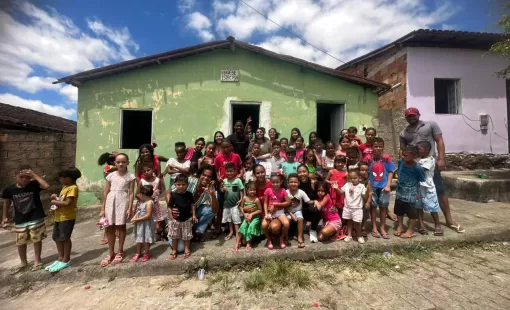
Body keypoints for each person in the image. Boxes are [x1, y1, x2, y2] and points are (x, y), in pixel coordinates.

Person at [399, 107, 464, 233]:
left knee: (439, 190)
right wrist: (402, 166)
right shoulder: (404, 133)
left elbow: (439, 140)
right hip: (413, 167)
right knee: (416, 194)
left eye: (413, 115)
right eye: (408, 116)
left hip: (430, 166)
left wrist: (441, 159)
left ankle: (449, 219)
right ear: (406, 118)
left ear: (418, 115)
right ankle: (420, 221)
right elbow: (402, 150)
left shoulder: (430, 125)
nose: (411, 118)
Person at [1, 165, 50, 272]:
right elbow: (7, 203)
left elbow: (46, 186)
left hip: (36, 216)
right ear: (15, 176)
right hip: (20, 219)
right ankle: (23, 262)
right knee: (21, 241)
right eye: (21, 177)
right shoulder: (9, 189)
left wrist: (34, 175)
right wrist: (4, 216)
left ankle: (37, 260)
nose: (24, 179)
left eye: (27, 177)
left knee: (36, 239)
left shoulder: (34, 185)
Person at [165, 165, 219, 242]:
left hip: (191, 214)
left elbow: (215, 210)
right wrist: (171, 207)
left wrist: (213, 195)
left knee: (209, 209)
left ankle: (196, 231)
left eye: (209, 176)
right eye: (204, 175)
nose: (206, 178)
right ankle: (167, 229)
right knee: (180, 248)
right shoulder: (189, 180)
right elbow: (168, 192)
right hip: (177, 215)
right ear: (200, 174)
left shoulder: (210, 188)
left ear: (212, 179)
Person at [99, 153, 136, 267]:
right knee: (110, 227)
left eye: (123, 161)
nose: (121, 164)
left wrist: (130, 207)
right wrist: (103, 207)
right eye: (118, 161)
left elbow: (131, 193)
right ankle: (111, 252)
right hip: (111, 201)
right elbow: (106, 192)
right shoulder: (110, 176)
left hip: (122, 201)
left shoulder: (130, 176)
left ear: (127, 163)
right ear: (114, 163)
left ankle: (120, 251)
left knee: (121, 227)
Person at [46, 167, 81, 272]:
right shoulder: (65, 187)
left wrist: (54, 202)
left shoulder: (73, 188)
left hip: (67, 217)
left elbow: (67, 203)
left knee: (65, 238)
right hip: (59, 217)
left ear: (69, 178)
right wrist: (56, 198)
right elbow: (62, 200)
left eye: (62, 177)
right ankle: (60, 257)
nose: (60, 179)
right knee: (56, 237)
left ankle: (66, 259)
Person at [367, 137, 395, 239]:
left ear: (383, 147)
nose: (378, 148)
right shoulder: (368, 159)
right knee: (373, 207)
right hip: (372, 187)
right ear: (372, 147)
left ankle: (382, 228)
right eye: (375, 146)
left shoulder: (386, 158)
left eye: (380, 146)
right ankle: (374, 227)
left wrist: (388, 185)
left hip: (384, 187)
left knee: (383, 208)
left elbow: (391, 171)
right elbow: (366, 172)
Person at [394, 146, 424, 239]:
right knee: (399, 210)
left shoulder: (417, 167)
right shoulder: (401, 162)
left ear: (414, 156)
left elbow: (421, 178)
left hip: (411, 193)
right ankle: (400, 226)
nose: (403, 157)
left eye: (406, 155)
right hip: (400, 191)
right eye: (402, 155)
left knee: (411, 212)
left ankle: (410, 230)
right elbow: (399, 171)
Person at [416, 141, 443, 236]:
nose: (417, 151)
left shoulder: (431, 160)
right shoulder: (418, 160)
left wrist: (413, 163)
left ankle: (437, 225)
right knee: (419, 206)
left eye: (419, 149)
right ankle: (421, 224)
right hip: (418, 186)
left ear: (427, 150)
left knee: (433, 207)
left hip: (428, 187)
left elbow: (421, 170)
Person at [167, 174, 197, 260]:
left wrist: (194, 215)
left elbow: (193, 204)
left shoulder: (189, 194)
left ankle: (187, 250)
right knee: (174, 236)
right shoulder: (173, 196)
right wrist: (171, 218)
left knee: (187, 236)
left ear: (187, 185)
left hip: (187, 219)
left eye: (183, 184)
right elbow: (169, 207)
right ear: (175, 185)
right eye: (178, 184)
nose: (181, 186)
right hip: (176, 220)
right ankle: (174, 251)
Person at [335, 170, 367, 244]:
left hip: (357, 208)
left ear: (359, 178)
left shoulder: (361, 186)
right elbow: (340, 192)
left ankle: (359, 236)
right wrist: (336, 188)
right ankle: (349, 235)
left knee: (358, 223)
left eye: (355, 178)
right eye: (351, 178)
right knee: (349, 221)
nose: (352, 180)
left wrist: (368, 192)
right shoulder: (347, 185)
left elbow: (364, 196)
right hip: (348, 207)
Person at [263, 174, 291, 249]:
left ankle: (281, 238)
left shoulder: (283, 190)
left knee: (286, 223)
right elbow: (265, 203)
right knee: (264, 225)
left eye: (277, 182)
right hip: (270, 212)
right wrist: (266, 214)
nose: (275, 184)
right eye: (273, 182)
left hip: (280, 212)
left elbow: (288, 202)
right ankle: (269, 240)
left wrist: (277, 205)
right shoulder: (268, 190)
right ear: (270, 182)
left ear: (281, 182)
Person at [137, 163, 165, 240]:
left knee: (157, 220)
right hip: (145, 204)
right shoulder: (142, 181)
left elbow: (161, 190)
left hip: (155, 204)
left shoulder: (157, 180)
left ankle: (157, 233)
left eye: (148, 170)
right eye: (144, 171)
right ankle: (146, 234)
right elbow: (137, 194)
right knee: (146, 219)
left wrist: (157, 193)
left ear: (153, 170)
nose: (146, 172)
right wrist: (143, 198)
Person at [286, 174, 313, 248]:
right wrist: (291, 215)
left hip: (298, 211)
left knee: (300, 218)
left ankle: (300, 237)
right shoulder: (285, 192)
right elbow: (284, 206)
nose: (293, 184)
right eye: (291, 182)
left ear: (298, 183)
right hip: (288, 211)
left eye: (295, 182)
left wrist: (316, 201)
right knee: (286, 220)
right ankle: (285, 237)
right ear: (288, 183)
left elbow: (308, 201)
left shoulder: (301, 192)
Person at [297, 165, 322, 243]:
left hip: (310, 208)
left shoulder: (313, 182)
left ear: (308, 172)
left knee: (315, 209)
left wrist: (317, 201)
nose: (302, 174)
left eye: (304, 171)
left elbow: (322, 192)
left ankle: (313, 230)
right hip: (299, 210)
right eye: (299, 172)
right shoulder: (296, 183)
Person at [130, 185, 155, 263]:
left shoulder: (149, 203)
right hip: (140, 224)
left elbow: (148, 215)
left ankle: (147, 253)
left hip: (146, 224)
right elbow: (139, 211)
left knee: (145, 240)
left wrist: (137, 219)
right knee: (139, 239)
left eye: (139, 194)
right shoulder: (143, 202)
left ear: (143, 194)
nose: (138, 195)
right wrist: (134, 217)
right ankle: (138, 253)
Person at [236, 182, 263, 252]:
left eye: (254, 190)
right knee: (242, 226)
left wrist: (252, 214)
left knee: (251, 226)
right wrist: (244, 214)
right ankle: (236, 244)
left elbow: (260, 210)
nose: (253, 191)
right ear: (247, 191)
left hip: (256, 217)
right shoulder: (244, 198)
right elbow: (241, 207)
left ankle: (248, 244)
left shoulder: (256, 199)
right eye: (251, 190)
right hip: (247, 217)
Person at [326, 155, 348, 240]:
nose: (340, 164)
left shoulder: (346, 173)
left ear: (344, 163)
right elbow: (326, 180)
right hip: (333, 194)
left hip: (341, 194)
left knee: (341, 211)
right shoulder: (331, 171)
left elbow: (348, 183)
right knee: (333, 211)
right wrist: (331, 182)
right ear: (335, 163)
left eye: (342, 162)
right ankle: (334, 229)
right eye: (338, 162)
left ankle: (341, 229)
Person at [221, 163, 245, 242]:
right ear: (225, 172)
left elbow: (241, 190)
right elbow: (221, 190)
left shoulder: (238, 180)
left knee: (236, 219)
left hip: (235, 204)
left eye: (231, 171)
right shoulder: (224, 181)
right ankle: (231, 232)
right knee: (229, 219)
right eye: (227, 171)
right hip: (227, 204)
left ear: (235, 171)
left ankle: (237, 234)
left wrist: (241, 199)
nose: (229, 173)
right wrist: (223, 189)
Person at [98, 152, 117, 245]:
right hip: (109, 192)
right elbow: (119, 167)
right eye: (113, 160)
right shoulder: (107, 168)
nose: (115, 161)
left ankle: (115, 232)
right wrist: (118, 156)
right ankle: (106, 235)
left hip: (117, 191)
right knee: (107, 215)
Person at [358, 161, 370, 238]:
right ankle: (356, 228)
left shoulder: (368, 181)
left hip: (364, 201)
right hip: (356, 202)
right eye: (362, 170)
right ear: (358, 170)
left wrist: (368, 202)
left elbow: (370, 192)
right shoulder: (354, 180)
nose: (364, 172)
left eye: (366, 170)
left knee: (364, 215)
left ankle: (363, 228)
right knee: (356, 216)